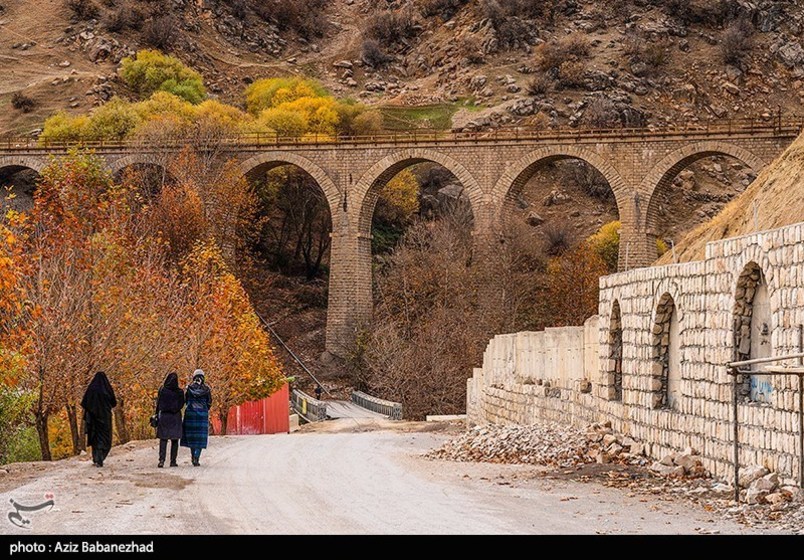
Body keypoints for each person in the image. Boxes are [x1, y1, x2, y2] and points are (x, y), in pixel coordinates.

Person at [80, 372, 117, 468]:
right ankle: (100, 458)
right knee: (105, 438)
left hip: (93, 420)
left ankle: (96, 458)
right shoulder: (107, 389)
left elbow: (84, 402)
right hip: (105, 419)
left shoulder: (91, 389)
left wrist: (92, 409)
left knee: (95, 438)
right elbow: (114, 402)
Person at [181, 369, 212, 467]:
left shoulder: (189, 388)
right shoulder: (206, 389)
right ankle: (196, 457)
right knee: (200, 438)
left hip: (190, 414)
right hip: (202, 415)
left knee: (192, 436)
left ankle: (192, 455)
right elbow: (209, 402)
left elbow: (185, 401)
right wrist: (204, 409)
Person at [156, 372, 184, 468]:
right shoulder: (180, 392)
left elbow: (158, 404)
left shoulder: (162, 390)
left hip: (164, 417)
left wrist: (156, 414)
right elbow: (181, 404)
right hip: (175, 417)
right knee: (175, 440)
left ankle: (162, 460)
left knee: (163, 439)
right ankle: (173, 461)